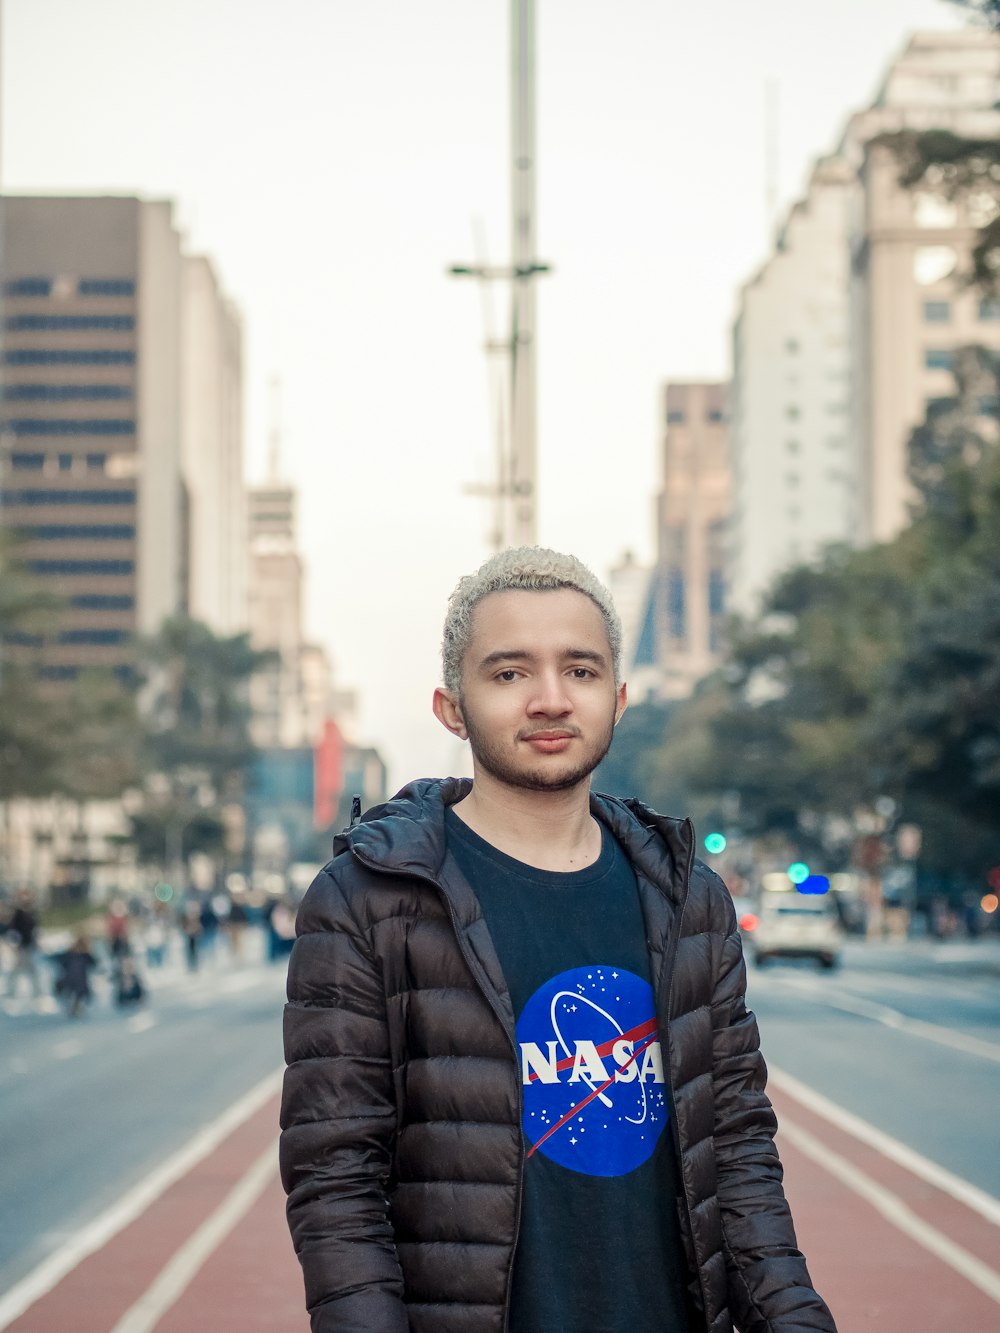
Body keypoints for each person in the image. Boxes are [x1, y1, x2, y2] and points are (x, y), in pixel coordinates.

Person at [280, 548, 837, 1333]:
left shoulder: (686, 897)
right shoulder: (367, 900)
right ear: (451, 706)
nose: (549, 699)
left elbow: (738, 1153)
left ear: (618, 695)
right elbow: (335, 1181)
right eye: (509, 673)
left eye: (579, 670)